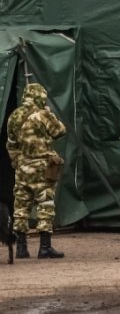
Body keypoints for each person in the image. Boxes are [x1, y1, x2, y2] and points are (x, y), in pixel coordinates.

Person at [5, 83, 66, 259]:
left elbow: (11, 144)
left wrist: (18, 162)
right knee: (45, 205)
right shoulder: (42, 114)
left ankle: (21, 248)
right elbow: (60, 131)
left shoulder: (14, 116)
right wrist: (49, 113)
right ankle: (45, 248)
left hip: (23, 168)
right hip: (42, 167)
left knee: (21, 207)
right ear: (40, 97)